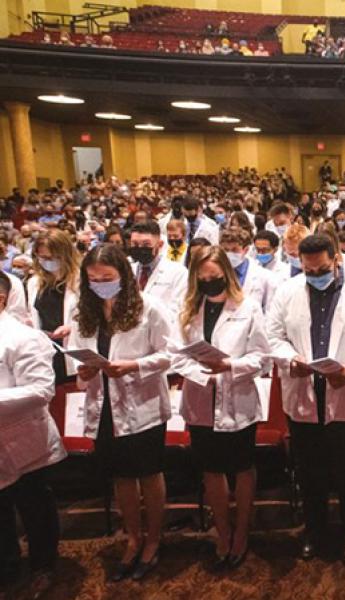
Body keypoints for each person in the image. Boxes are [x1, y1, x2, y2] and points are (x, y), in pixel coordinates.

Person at [266, 234, 345, 564]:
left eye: (323, 270)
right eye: (309, 271)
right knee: (309, 471)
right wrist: (290, 360)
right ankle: (314, 531)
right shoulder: (287, 292)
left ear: (337, 261)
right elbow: (273, 336)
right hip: (303, 393)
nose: (316, 277)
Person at [70, 244, 173, 581]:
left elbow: (170, 354)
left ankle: (154, 539)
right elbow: (78, 353)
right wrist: (83, 370)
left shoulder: (150, 308)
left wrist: (135, 365)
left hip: (140, 405)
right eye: (94, 279)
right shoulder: (84, 311)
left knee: (148, 473)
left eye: (108, 278)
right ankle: (133, 537)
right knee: (122, 477)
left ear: (123, 277)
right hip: (104, 406)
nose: (101, 284)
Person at [172, 246, 269, 571]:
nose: (210, 282)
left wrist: (228, 365)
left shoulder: (248, 307)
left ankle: (242, 529)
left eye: (215, 277)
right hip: (201, 398)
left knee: (241, 467)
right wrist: (203, 373)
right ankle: (223, 530)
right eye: (203, 278)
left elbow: (261, 357)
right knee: (211, 469)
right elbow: (177, 356)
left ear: (226, 273)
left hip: (237, 397)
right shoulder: (188, 309)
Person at [0, 271, 66, 597]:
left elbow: (41, 390)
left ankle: (44, 566)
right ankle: (8, 565)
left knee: (33, 504)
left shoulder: (23, 337)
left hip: (23, 437)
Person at [27, 229, 81, 383]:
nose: (48, 261)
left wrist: (72, 327)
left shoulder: (81, 280)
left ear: (66, 255)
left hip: (72, 349)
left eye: (54, 257)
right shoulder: (34, 283)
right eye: (43, 257)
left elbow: (95, 316)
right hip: (45, 352)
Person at [128, 220, 188, 317]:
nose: (139, 248)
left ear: (159, 245)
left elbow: (179, 312)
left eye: (146, 244)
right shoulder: (127, 271)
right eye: (134, 244)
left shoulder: (179, 273)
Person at [219, 227, 279, 314]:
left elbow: (270, 312)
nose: (229, 254)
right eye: (226, 250)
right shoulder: (216, 272)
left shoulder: (265, 276)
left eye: (234, 250)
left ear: (246, 250)